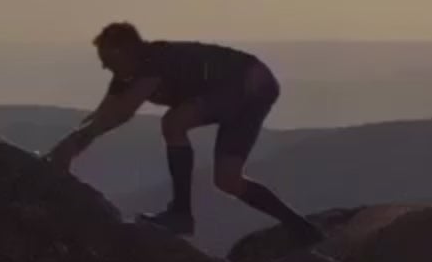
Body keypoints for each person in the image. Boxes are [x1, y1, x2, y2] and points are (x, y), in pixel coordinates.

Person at [44, 22, 325, 246]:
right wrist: (67, 147)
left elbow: (121, 113)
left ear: (125, 51)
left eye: (108, 59)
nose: (105, 66)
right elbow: (101, 114)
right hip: (251, 87)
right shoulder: (127, 74)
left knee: (174, 123)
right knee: (227, 180)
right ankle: (303, 229)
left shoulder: (152, 62)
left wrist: (70, 147)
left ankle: (180, 213)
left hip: (248, 82)